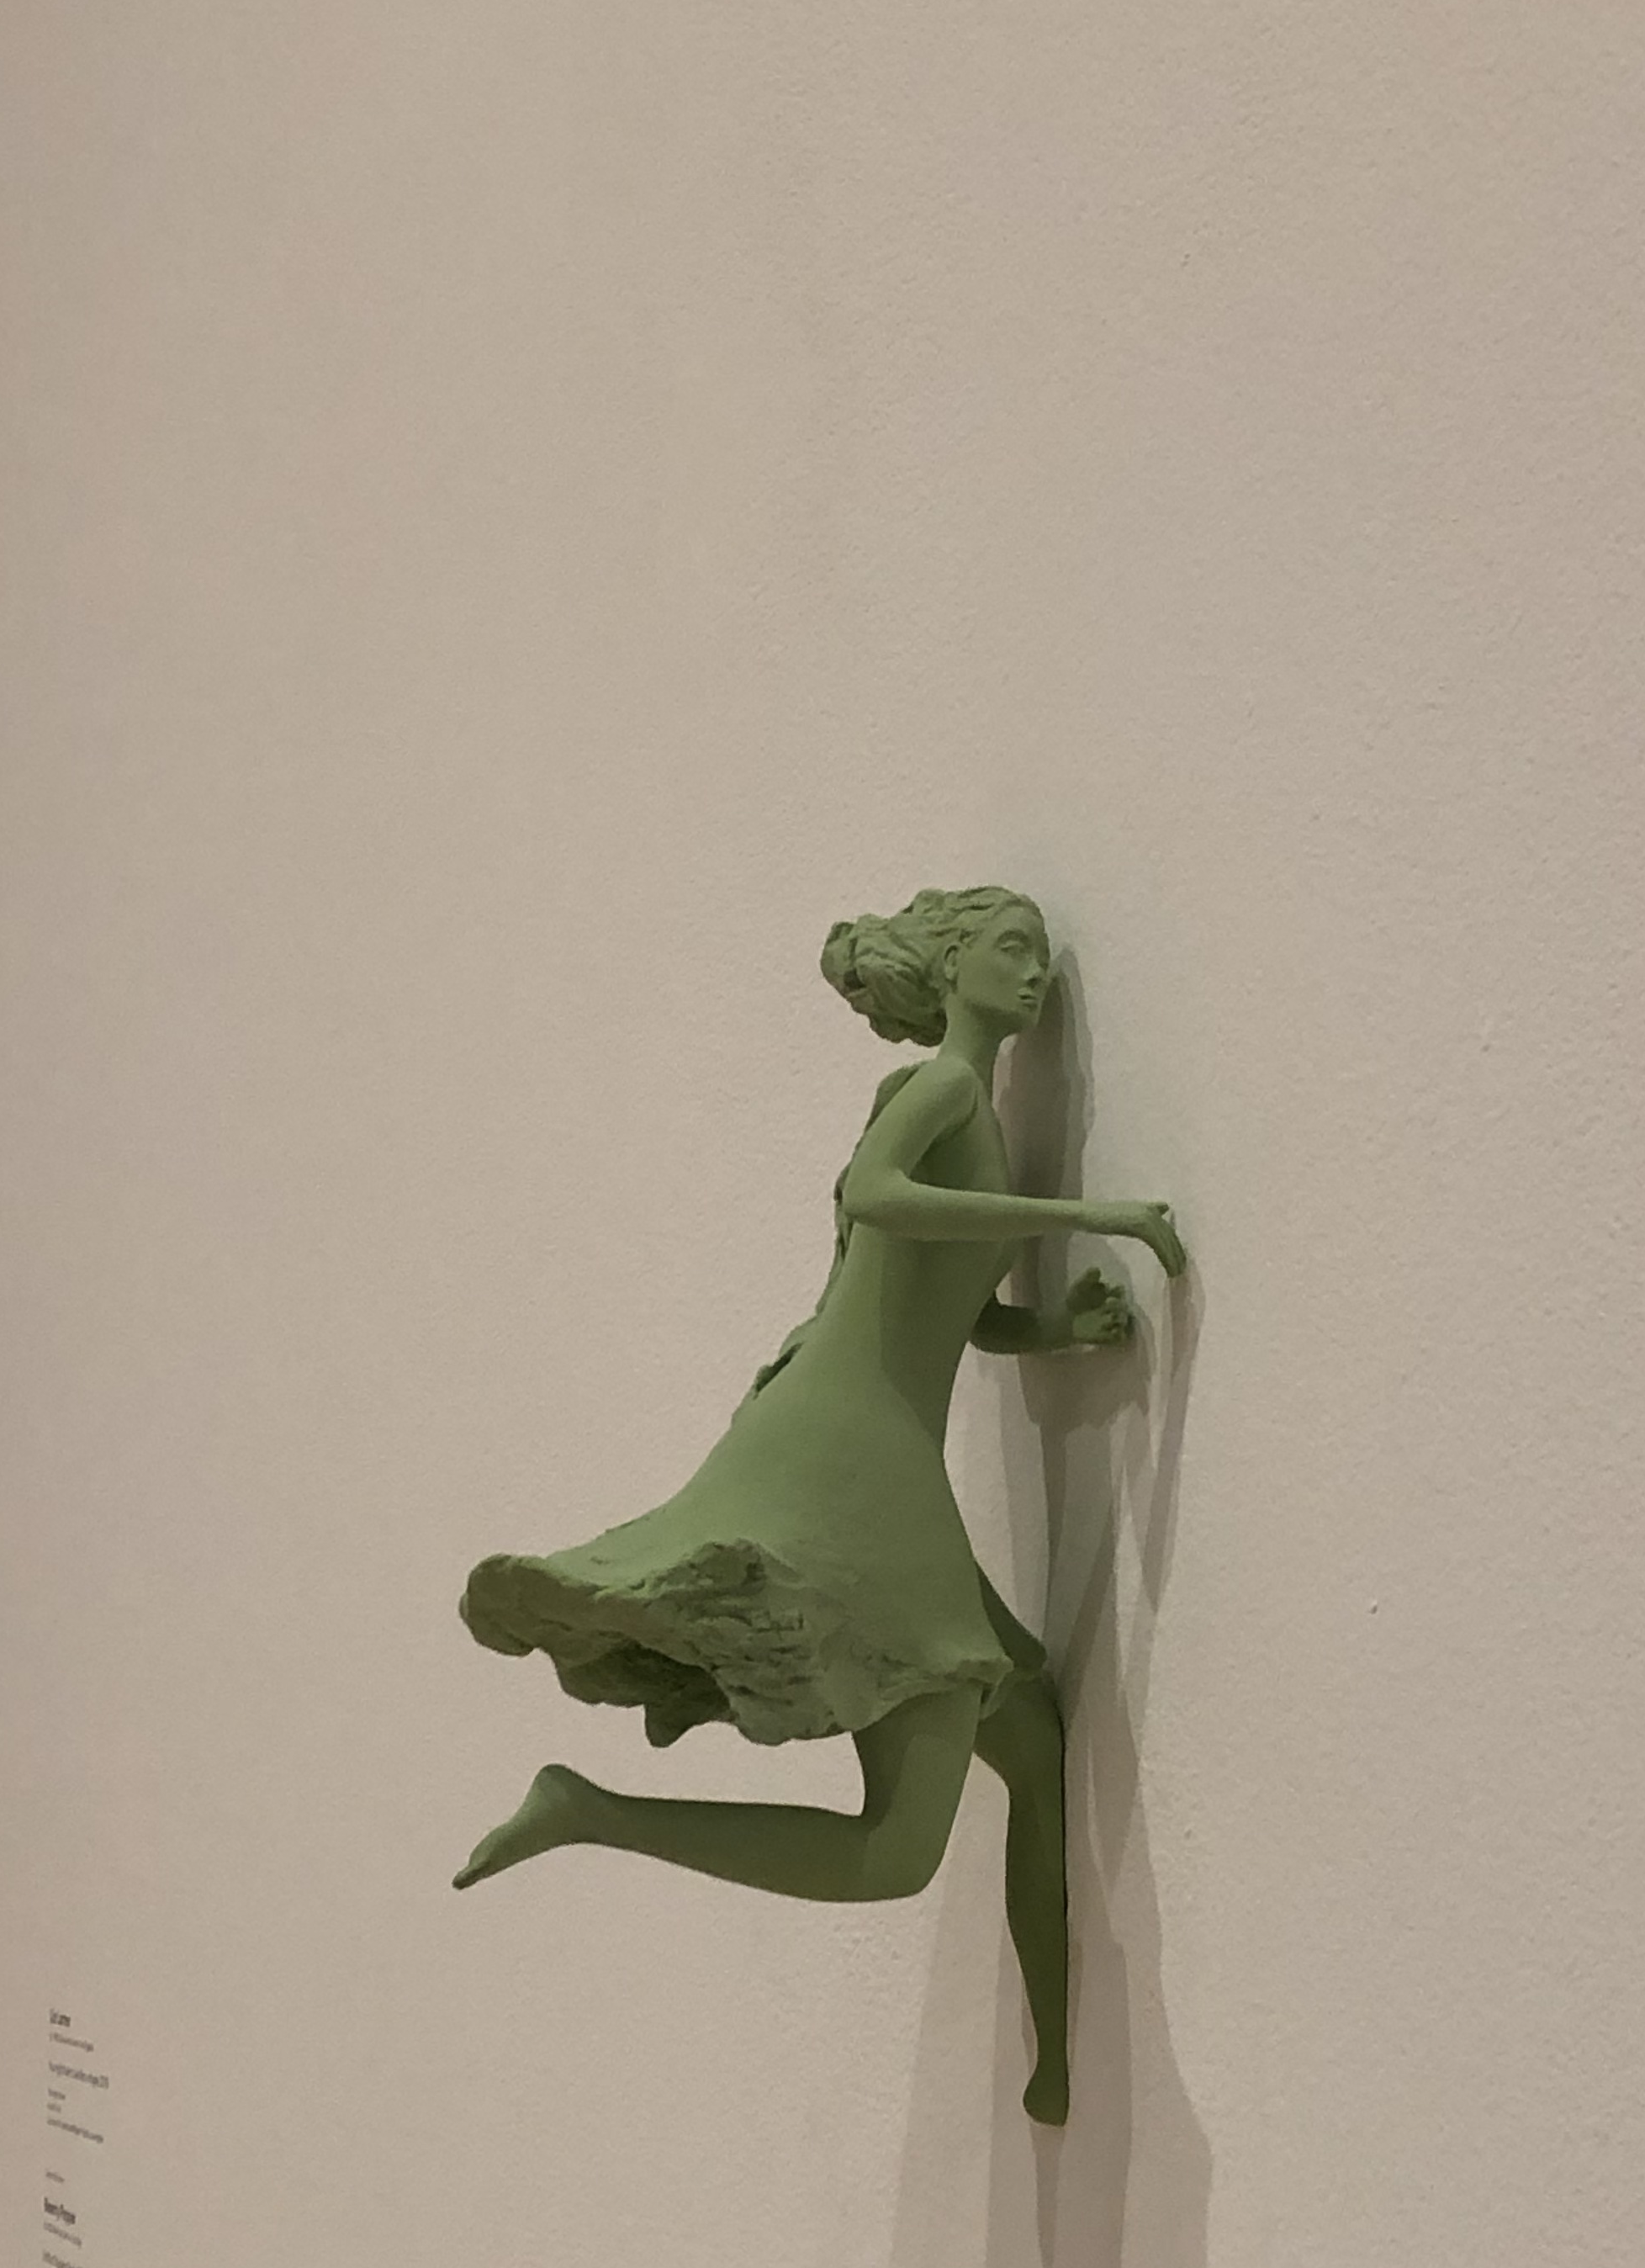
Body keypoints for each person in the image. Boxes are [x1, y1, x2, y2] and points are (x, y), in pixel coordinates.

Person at [451, 884, 1186, 2122]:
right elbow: (875, 1199)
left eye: (1038, 955)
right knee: (897, 1853)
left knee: (1031, 1744)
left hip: (868, 1450)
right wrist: (1089, 1214)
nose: (1035, 974)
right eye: (1008, 950)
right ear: (949, 970)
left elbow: (943, 1314)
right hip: (856, 1458)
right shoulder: (939, 1092)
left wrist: (1054, 1325)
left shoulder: (967, 1118)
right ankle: (591, 1811)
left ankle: (1054, 2068)